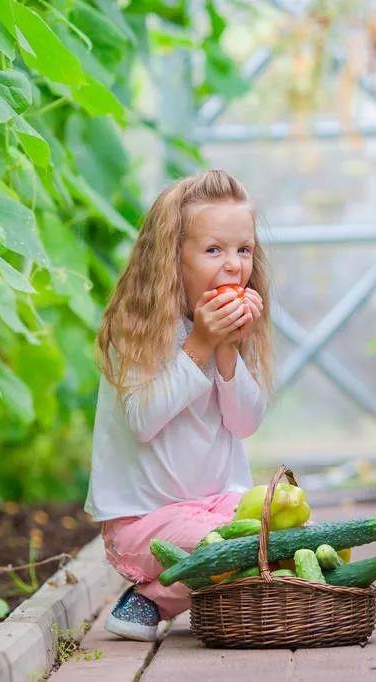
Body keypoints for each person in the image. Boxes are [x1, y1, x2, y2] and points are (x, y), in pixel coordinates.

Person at [85, 169, 274, 641]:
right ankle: (147, 599)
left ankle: (187, 596)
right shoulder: (138, 326)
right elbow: (144, 420)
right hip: (145, 521)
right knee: (246, 547)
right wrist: (201, 345)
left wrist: (228, 349)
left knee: (294, 532)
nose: (233, 265)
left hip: (219, 507)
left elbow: (246, 422)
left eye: (243, 250)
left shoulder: (227, 329)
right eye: (214, 250)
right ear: (172, 258)